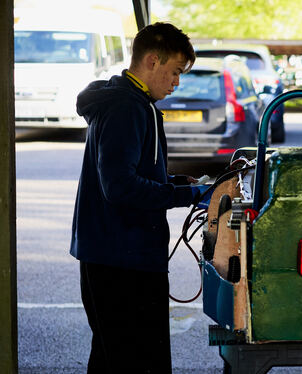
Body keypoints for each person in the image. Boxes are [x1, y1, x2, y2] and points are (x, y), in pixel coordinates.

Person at [70, 22, 205, 373]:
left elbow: (129, 172)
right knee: (138, 361)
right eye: (175, 71)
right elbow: (119, 187)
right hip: (122, 261)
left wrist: (176, 182)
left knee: (111, 357)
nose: (177, 82)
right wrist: (189, 194)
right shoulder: (127, 108)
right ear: (152, 61)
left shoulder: (129, 101)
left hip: (115, 255)